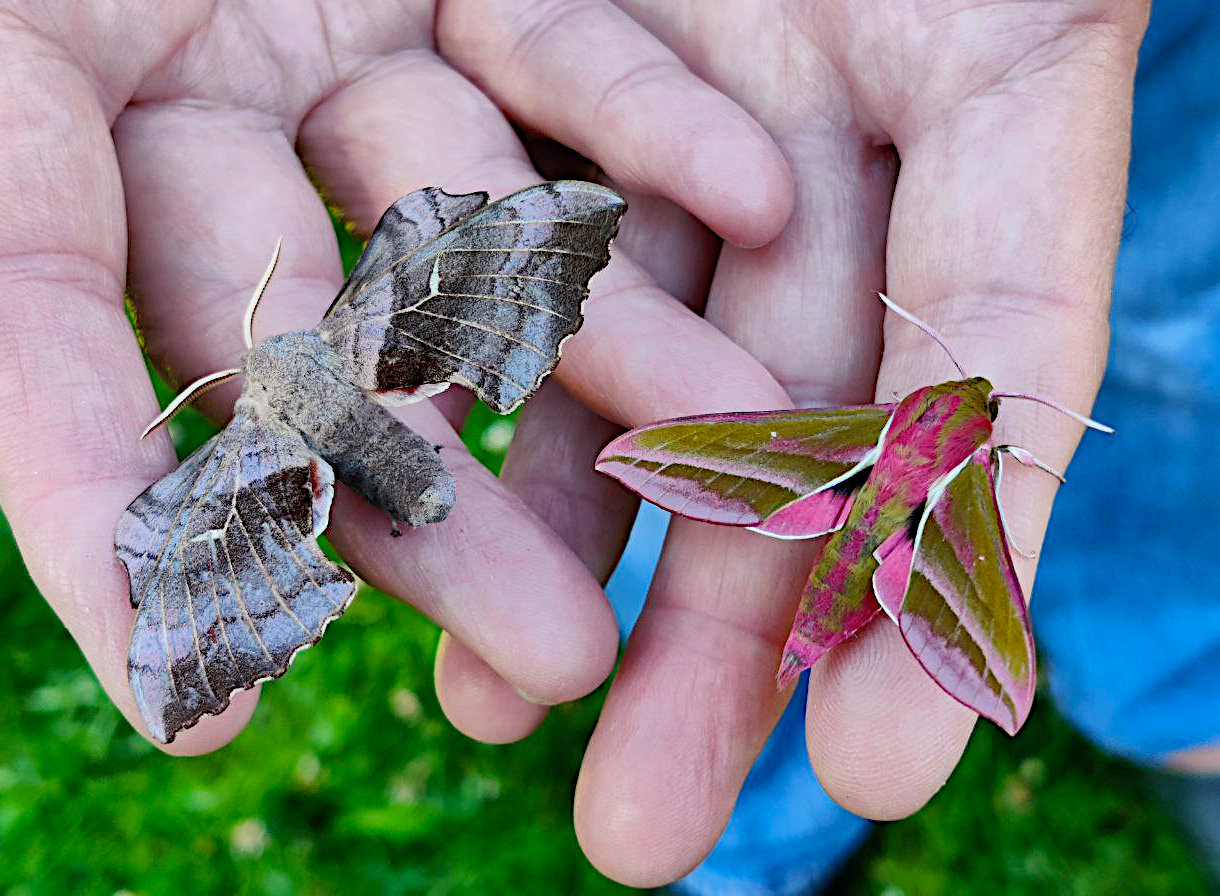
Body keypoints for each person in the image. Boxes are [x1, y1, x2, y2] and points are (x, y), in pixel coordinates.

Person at [3, 1, 1202, 893]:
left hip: (1104, 63)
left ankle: (1162, 691)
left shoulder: (835, 439)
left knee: (1142, 331)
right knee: (651, 490)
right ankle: (759, 828)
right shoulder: (950, 484)